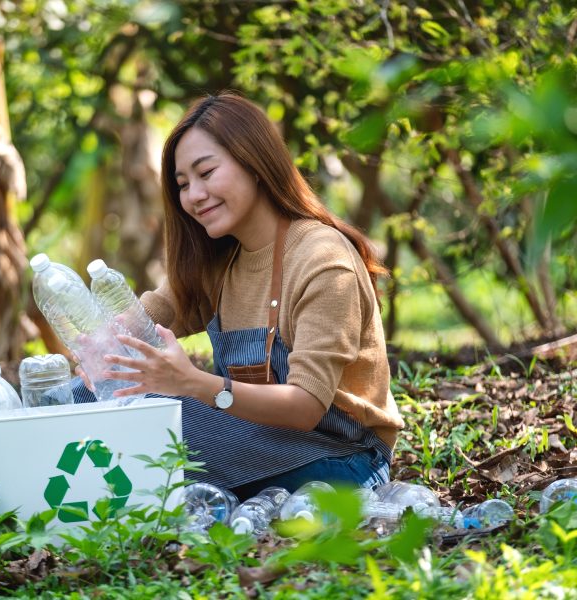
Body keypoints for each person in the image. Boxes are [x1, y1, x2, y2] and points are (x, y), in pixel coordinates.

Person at [73, 92, 404, 500]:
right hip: (258, 442)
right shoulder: (222, 259)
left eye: (206, 173)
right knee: (85, 393)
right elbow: (162, 307)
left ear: (255, 162)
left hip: (343, 460)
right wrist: (111, 346)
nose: (194, 195)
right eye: (182, 184)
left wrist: (192, 383)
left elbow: (305, 407)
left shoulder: (322, 260)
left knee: (165, 413)